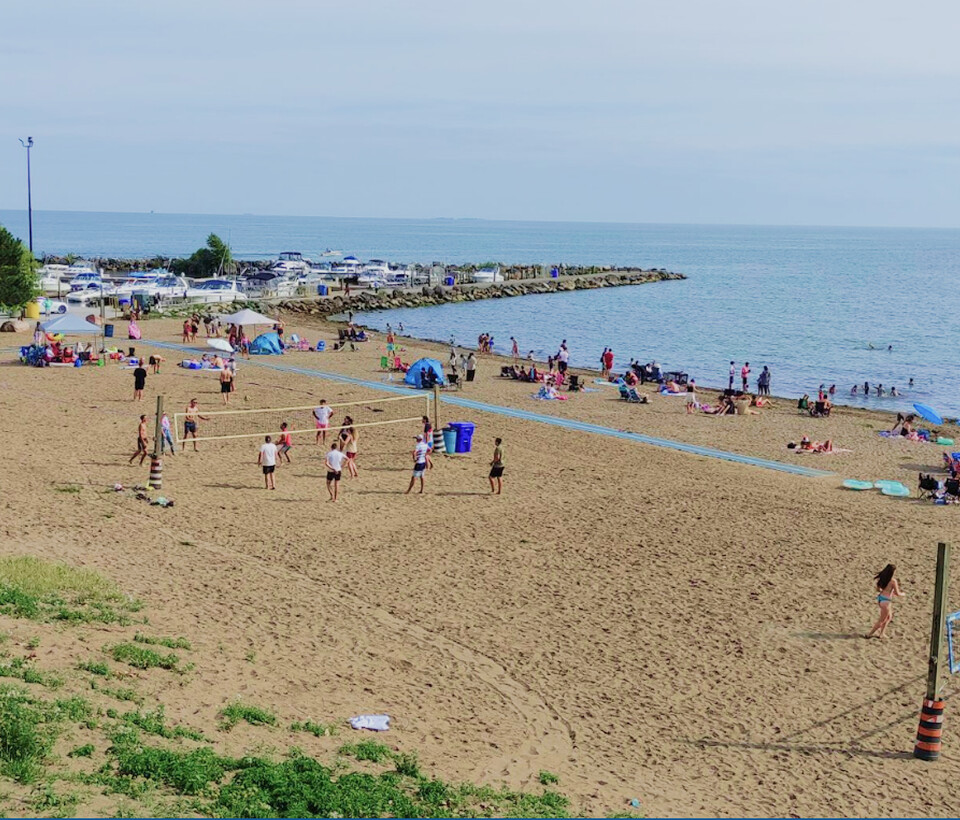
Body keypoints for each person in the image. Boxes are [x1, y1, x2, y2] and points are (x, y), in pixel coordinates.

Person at [867, 564, 904, 638]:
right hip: (886, 602)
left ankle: (882, 633)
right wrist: (903, 594)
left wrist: (888, 591)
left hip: (881, 599)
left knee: (889, 617)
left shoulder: (882, 578)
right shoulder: (893, 581)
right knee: (882, 620)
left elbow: (878, 589)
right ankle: (869, 634)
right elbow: (897, 593)